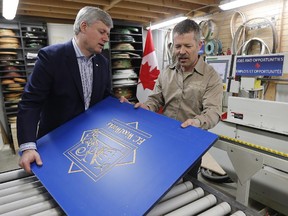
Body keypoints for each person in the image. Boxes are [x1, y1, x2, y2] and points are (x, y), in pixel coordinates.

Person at [17, 6, 114, 173]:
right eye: (102, 31)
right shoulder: (51, 57)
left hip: (87, 143)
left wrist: (120, 103)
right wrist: (28, 147)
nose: (106, 38)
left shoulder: (102, 61)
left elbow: (104, 96)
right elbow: (31, 103)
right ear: (84, 27)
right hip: (55, 142)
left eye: (108, 34)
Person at [131, 19, 223, 178]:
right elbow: (155, 100)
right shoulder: (166, 73)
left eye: (188, 46)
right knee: (160, 179)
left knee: (188, 187)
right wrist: (146, 107)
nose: (181, 51)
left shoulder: (211, 77)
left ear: (199, 45)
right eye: (178, 46)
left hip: (191, 144)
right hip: (164, 140)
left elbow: (214, 112)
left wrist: (196, 122)